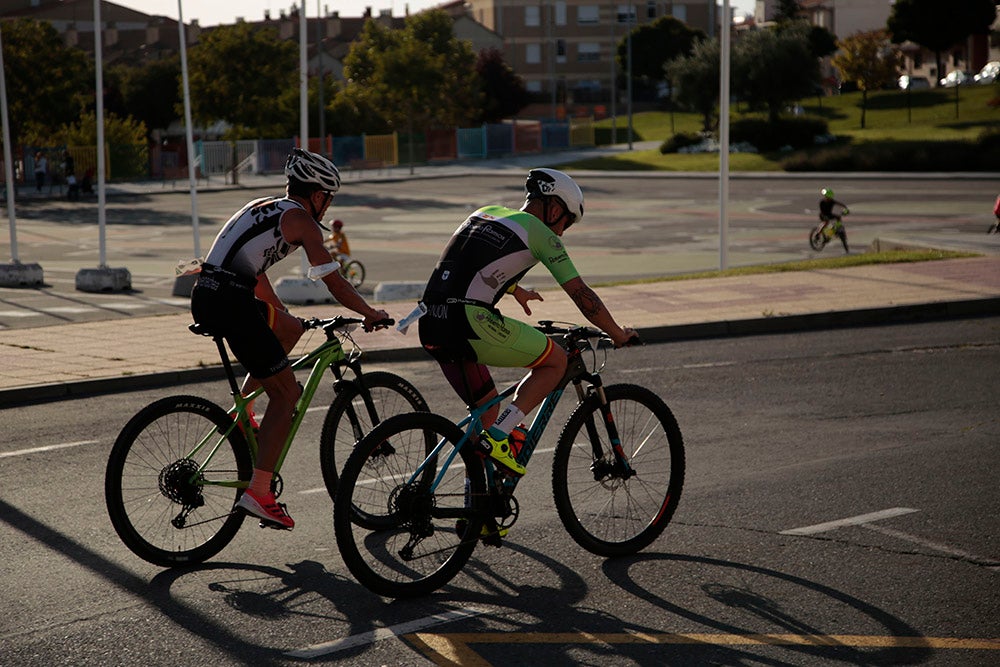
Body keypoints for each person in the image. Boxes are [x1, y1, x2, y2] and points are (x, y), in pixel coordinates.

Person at [190, 148, 390, 530]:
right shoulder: (301, 220)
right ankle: (260, 492)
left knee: (292, 329)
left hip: (209, 294)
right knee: (288, 395)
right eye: (328, 199)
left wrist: (281, 314)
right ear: (318, 195)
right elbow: (333, 279)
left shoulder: (262, 207)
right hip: (231, 301)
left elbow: (253, 269)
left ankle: (244, 409)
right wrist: (370, 313)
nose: (327, 208)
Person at [417, 168, 636, 479]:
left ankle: (479, 517)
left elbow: (469, 264)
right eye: (566, 222)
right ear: (555, 207)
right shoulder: (542, 235)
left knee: (487, 418)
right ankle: (498, 437)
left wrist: (514, 289)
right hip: (468, 322)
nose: (561, 232)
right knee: (556, 361)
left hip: (430, 321)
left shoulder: (486, 213)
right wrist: (617, 333)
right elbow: (581, 294)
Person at [818, 187, 850, 253]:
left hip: (829, 214)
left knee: (838, 218)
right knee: (826, 222)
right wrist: (827, 217)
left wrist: (845, 208)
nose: (826, 198)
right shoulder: (822, 202)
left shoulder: (832, 201)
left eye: (827, 196)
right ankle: (818, 233)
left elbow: (840, 204)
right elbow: (822, 211)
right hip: (823, 215)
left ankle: (836, 229)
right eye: (825, 196)